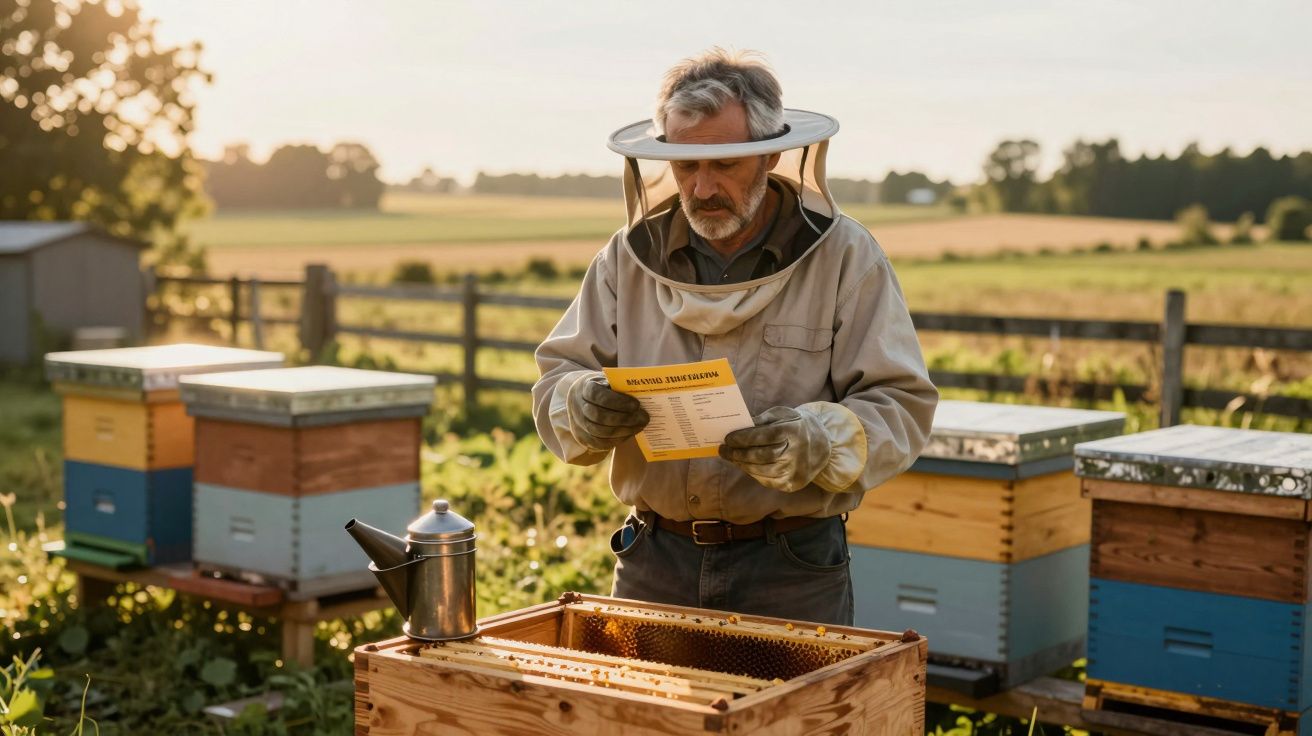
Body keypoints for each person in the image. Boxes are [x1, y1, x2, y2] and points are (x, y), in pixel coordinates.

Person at [532, 48, 937, 626]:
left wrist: (819, 440)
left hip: (791, 565)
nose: (702, 188)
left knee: (792, 718)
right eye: (686, 165)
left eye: (724, 164)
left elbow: (902, 403)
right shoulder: (624, 260)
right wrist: (580, 403)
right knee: (652, 718)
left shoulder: (846, 257)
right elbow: (557, 378)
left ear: (770, 154)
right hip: (655, 555)